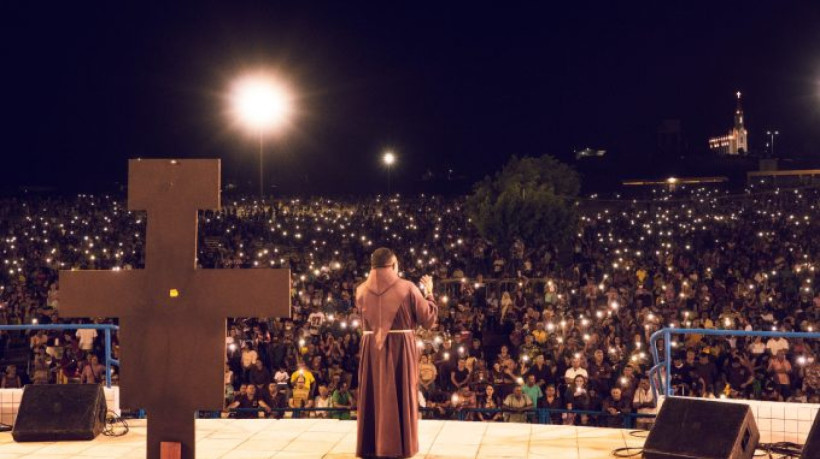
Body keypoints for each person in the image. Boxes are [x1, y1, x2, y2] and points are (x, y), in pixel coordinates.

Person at [356, 248, 438, 459]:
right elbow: (428, 319)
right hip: (400, 347)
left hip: (371, 346)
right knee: (402, 391)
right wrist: (429, 292)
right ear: (393, 265)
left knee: (374, 392)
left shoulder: (361, 290)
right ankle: (398, 446)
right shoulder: (408, 287)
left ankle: (371, 445)